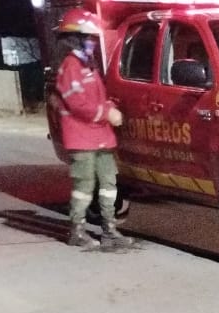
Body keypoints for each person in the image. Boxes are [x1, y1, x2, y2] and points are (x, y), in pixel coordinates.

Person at [53, 8, 130, 250]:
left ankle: (109, 229)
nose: (92, 43)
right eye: (89, 38)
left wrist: (110, 107)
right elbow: (78, 104)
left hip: (100, 137)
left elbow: (99, 97)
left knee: (109, 183)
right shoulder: (70, 67)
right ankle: (77, 230)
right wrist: (106, 113)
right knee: (84, 186)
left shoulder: (89, 66)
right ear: (75, 39)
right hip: (81, 137)